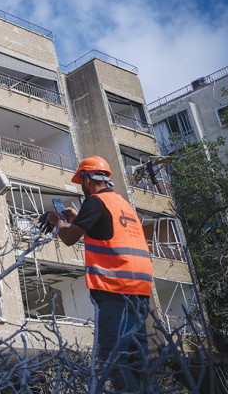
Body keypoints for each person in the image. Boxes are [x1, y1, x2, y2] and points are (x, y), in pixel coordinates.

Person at [49, 156, 153, 392]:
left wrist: (59, 222)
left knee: (114, 355)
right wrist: (78, 219)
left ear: (87, 179)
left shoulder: (94, 202)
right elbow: (106, 232)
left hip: (115, 288)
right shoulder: (121, 203)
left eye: (81, 182)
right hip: (139, 289)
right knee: (137, 355)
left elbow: (68, 238)